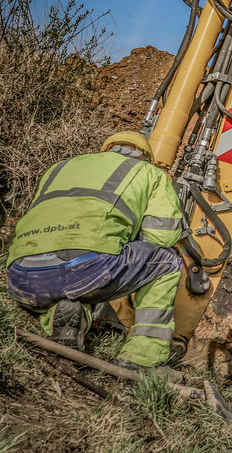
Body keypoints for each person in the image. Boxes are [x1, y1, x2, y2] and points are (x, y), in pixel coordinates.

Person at [5, 132, 184, 372]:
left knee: (67, 276)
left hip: (21, 277)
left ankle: (64, 315)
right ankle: (143, 356)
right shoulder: (149, 172)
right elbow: (162, 236)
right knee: (167, 261)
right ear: (145, 156)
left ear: (106, 150)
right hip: (83, 271)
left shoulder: (60, 167)